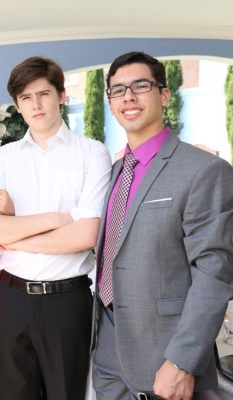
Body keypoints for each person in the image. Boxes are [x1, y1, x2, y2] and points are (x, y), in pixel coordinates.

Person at [92, 51, 233, 400]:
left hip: (165, 356)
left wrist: (182, 361)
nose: (128, 97)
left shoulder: (203, 170)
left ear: (164, 95)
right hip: (108, 354)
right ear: (110, 101)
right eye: (118, 90)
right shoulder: (112, 174)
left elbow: (214, 273)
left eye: (140, 86)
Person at [0, 56, 112, 400]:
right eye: (25, 98)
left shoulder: (92, 153)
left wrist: (15, 235)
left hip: (67, 301)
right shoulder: (5, 158)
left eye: (43, 94)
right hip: (11, 298)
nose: (35, 104)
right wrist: (55, 219)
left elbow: (85, 236)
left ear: (61, 95)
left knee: (67, 394)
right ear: (18, 105)